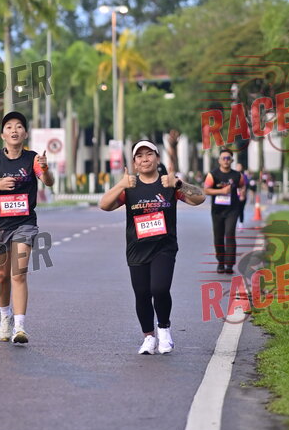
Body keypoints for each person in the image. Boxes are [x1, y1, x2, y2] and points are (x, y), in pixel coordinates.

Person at [99, 140, 205, 355]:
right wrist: (121, 185)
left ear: (157, 158)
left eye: (149, 154)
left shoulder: (169, 185)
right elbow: (104, 205)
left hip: (164, 247)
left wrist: (178, 184)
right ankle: (148, 337)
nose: (144, 159)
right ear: (134, 163)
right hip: (137, 248)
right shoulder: (130, 187)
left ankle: (164, 330)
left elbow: (199, 198)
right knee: (142, 294)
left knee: (159, 289)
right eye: (139, 156)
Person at [0, 111, 54, 344]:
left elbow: (48, 182)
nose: (14, 130)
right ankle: (5, 316)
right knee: (1, 276)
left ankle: (20, 326)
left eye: (19, 126)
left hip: (24, 223)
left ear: (25, 133)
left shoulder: (33, 159)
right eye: (9, 127)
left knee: (19, 273)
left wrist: (46, 169)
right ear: (2, 135)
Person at [203, 148, 245, 275]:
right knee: (218, 237)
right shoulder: (213, 174)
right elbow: (206, 190)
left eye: (228, 158)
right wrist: (221, 191)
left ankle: (229, 264)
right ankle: (221, 262)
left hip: (232, 209)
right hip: (217, 211)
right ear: (219, 160)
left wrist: (242, 193)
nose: (226, 160)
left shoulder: (237, 175)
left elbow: (242, 185)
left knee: (230, 234)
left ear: (232, 160)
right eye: (224, 158)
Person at [235, 162, 249, 228]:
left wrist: (242, 195)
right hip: (234, 196)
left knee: (240, 210)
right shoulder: (233, 175)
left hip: (241, 196)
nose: (238, 168)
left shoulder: (244, 176)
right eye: (237, 166)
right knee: (233, 210)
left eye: (240, 166)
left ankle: (241, 223)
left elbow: (244, 186)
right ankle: (233, 223)